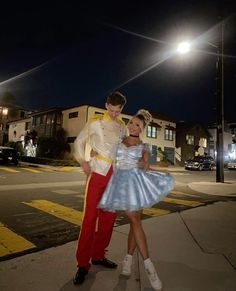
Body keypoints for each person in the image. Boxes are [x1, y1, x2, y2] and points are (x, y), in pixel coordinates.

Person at [98, 109, 174, 290]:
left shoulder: (143, 147)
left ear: (142, 129)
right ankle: (136, 262)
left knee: (135, 221)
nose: (132, 126)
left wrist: (145, 164)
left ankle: (144, 265)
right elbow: (106, 155)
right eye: (131, 122)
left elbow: (147, 165)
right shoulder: (119, 142)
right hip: (120, 184)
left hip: (136, 185)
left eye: (137, 125)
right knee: (135, 221)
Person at [73, 91, 127, 285]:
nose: (113, 113)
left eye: (117, 110)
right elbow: (78, 143)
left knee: (108, 220)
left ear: (122, 108)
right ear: (106, 106)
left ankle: (98, 256)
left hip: (114, 176)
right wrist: (83, 162)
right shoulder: (95, 123)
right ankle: (82, 264)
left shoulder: (122, 128)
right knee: (89, 219)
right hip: (97, 173)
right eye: (111, 110)